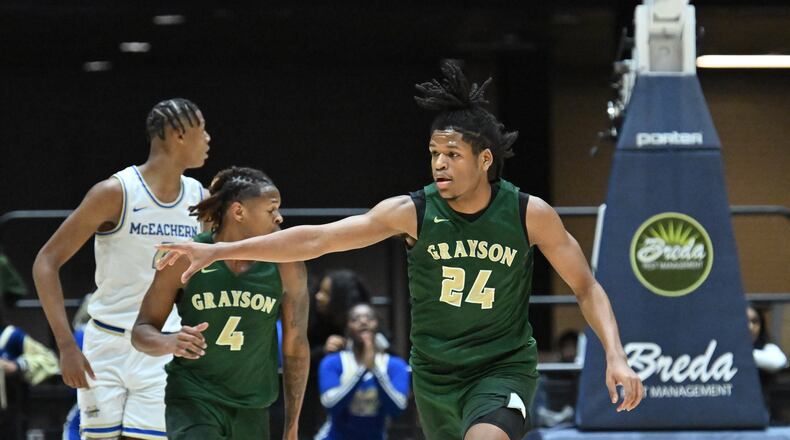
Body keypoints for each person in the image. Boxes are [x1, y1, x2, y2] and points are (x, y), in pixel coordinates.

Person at [156, 61, 644, 440]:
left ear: (485, 159)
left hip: (502, 366)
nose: (440, 164)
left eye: (452, 154)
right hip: (435, 374)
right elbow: (319, 239)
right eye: (434, 153)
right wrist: (216, 253)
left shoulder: (528, 213)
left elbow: (585, 287)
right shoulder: (412, 211)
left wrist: (615, 355)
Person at [33, 98, 209, 439]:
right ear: (178, 134)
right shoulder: (115, 192)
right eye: (202, 130)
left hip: (161, 345)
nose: (208, 139)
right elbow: (46, 262)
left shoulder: (198, 198)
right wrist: (67, 345)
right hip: (107, 343)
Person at [132, 167, 310, 440]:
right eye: (271, 209)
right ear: (238, 212)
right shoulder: (184, 256)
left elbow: (296, 347)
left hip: (252, 405)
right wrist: (170, 342)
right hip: (193, 397)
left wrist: (293, 425)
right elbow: (141, 331)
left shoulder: (287, 265)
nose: (279, 217)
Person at [316, 303, 409, 440]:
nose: (363, 321)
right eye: (355, 319)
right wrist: (362, 370)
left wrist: (375, 370)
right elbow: (330, 404)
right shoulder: (333, 362)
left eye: (369, 318)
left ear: (377, 324)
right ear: (347, 327)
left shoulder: (395, 365)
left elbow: (398, 407)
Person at [303, 270, 371, 436]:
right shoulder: (310, 320)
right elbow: (297, 361)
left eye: (325, 293)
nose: (318, 296)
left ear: (339, 300)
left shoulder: (364, 325)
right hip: (314, 404)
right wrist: (323, 351)